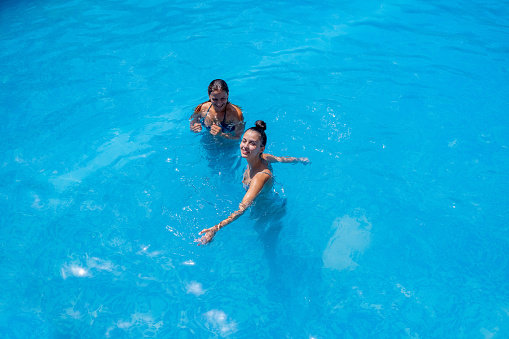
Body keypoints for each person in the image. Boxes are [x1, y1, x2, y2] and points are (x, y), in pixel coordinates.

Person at [196, 120, 309, 245]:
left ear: (261, 148)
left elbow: (242, 208)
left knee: (261, 239)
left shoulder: (259, 177)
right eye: (244, 140)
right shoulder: (263, 157)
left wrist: (215, 228)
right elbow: (281, 159)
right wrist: (300, 160)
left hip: (268, 209)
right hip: (268, 199)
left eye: (252, 143)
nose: (245, 146)